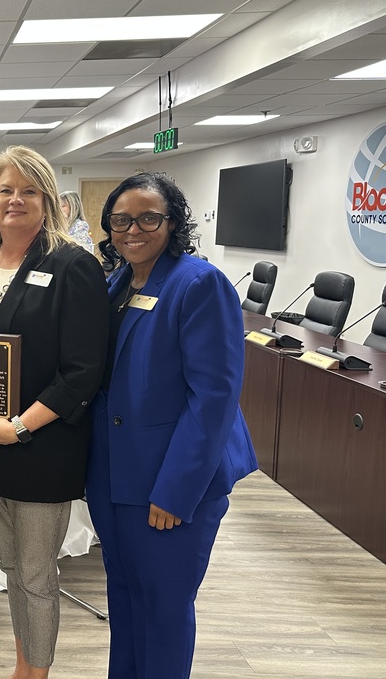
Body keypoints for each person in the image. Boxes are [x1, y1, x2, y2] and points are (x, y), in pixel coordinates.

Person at [86, 172, 258, 679]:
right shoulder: (118, 281)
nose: (132, 229)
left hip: (170, 482)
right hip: (116, 477)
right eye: (121, 219)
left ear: (173, 222)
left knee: (162, 606)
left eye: (148, 218)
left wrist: (177, 491)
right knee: (125, 596)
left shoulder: (199, 283)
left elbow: (215, 396)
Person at [0, 146, 109, 679]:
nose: (15, 199)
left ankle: (35, 673)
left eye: (28, 190)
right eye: (5, 190)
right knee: (12, 566)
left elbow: (83, 370)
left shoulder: (72, 265)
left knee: (38, 574)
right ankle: (25, 662)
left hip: (39, 442)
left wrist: (20, 427)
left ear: (48, 199)